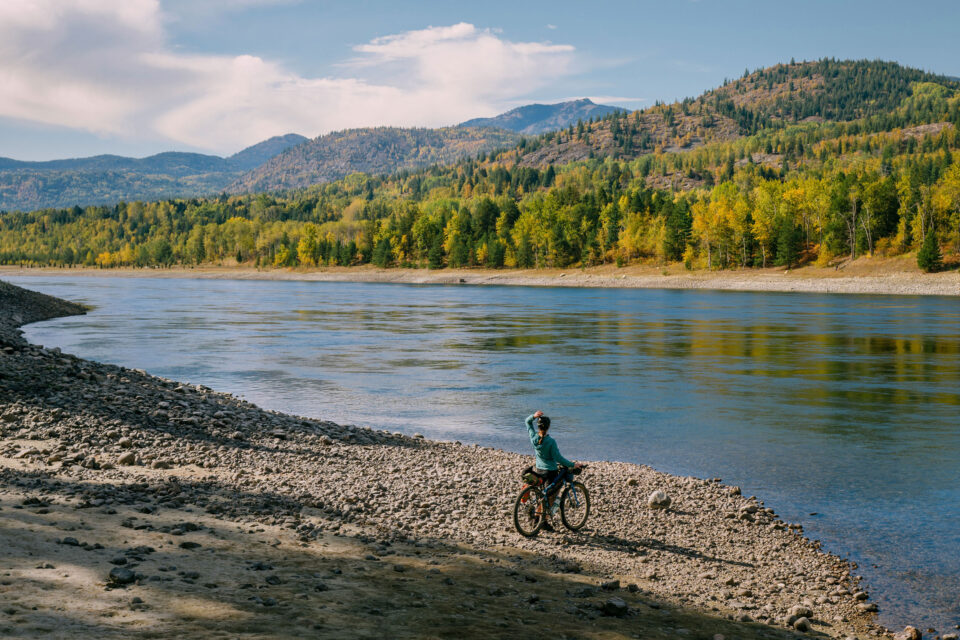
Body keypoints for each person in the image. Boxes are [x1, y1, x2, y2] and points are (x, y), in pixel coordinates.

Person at [525, 410, 583, 531]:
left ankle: (538, 518)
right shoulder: (551, 441)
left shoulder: (534, 438)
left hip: (538, 470)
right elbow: (559, 458)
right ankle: (542, 521)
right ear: (548, 427)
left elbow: (527, 422)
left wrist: (533, 416)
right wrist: (573, 464)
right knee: (551, 496)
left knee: (544, 494)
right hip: (550, 472)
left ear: (539, 426)